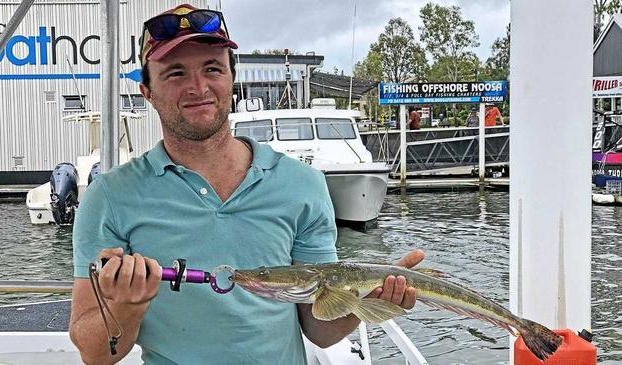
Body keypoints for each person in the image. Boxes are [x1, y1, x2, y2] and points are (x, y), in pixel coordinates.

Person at [69, 4, 424, 365]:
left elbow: (318, 328)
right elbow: (95, 353)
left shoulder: (303, 185)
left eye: (212, 69)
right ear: (147, 91)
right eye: (175, 73)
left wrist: (374, 302)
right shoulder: (109, 198)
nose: (198, 87)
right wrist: (128, 306)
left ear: (231, 78)